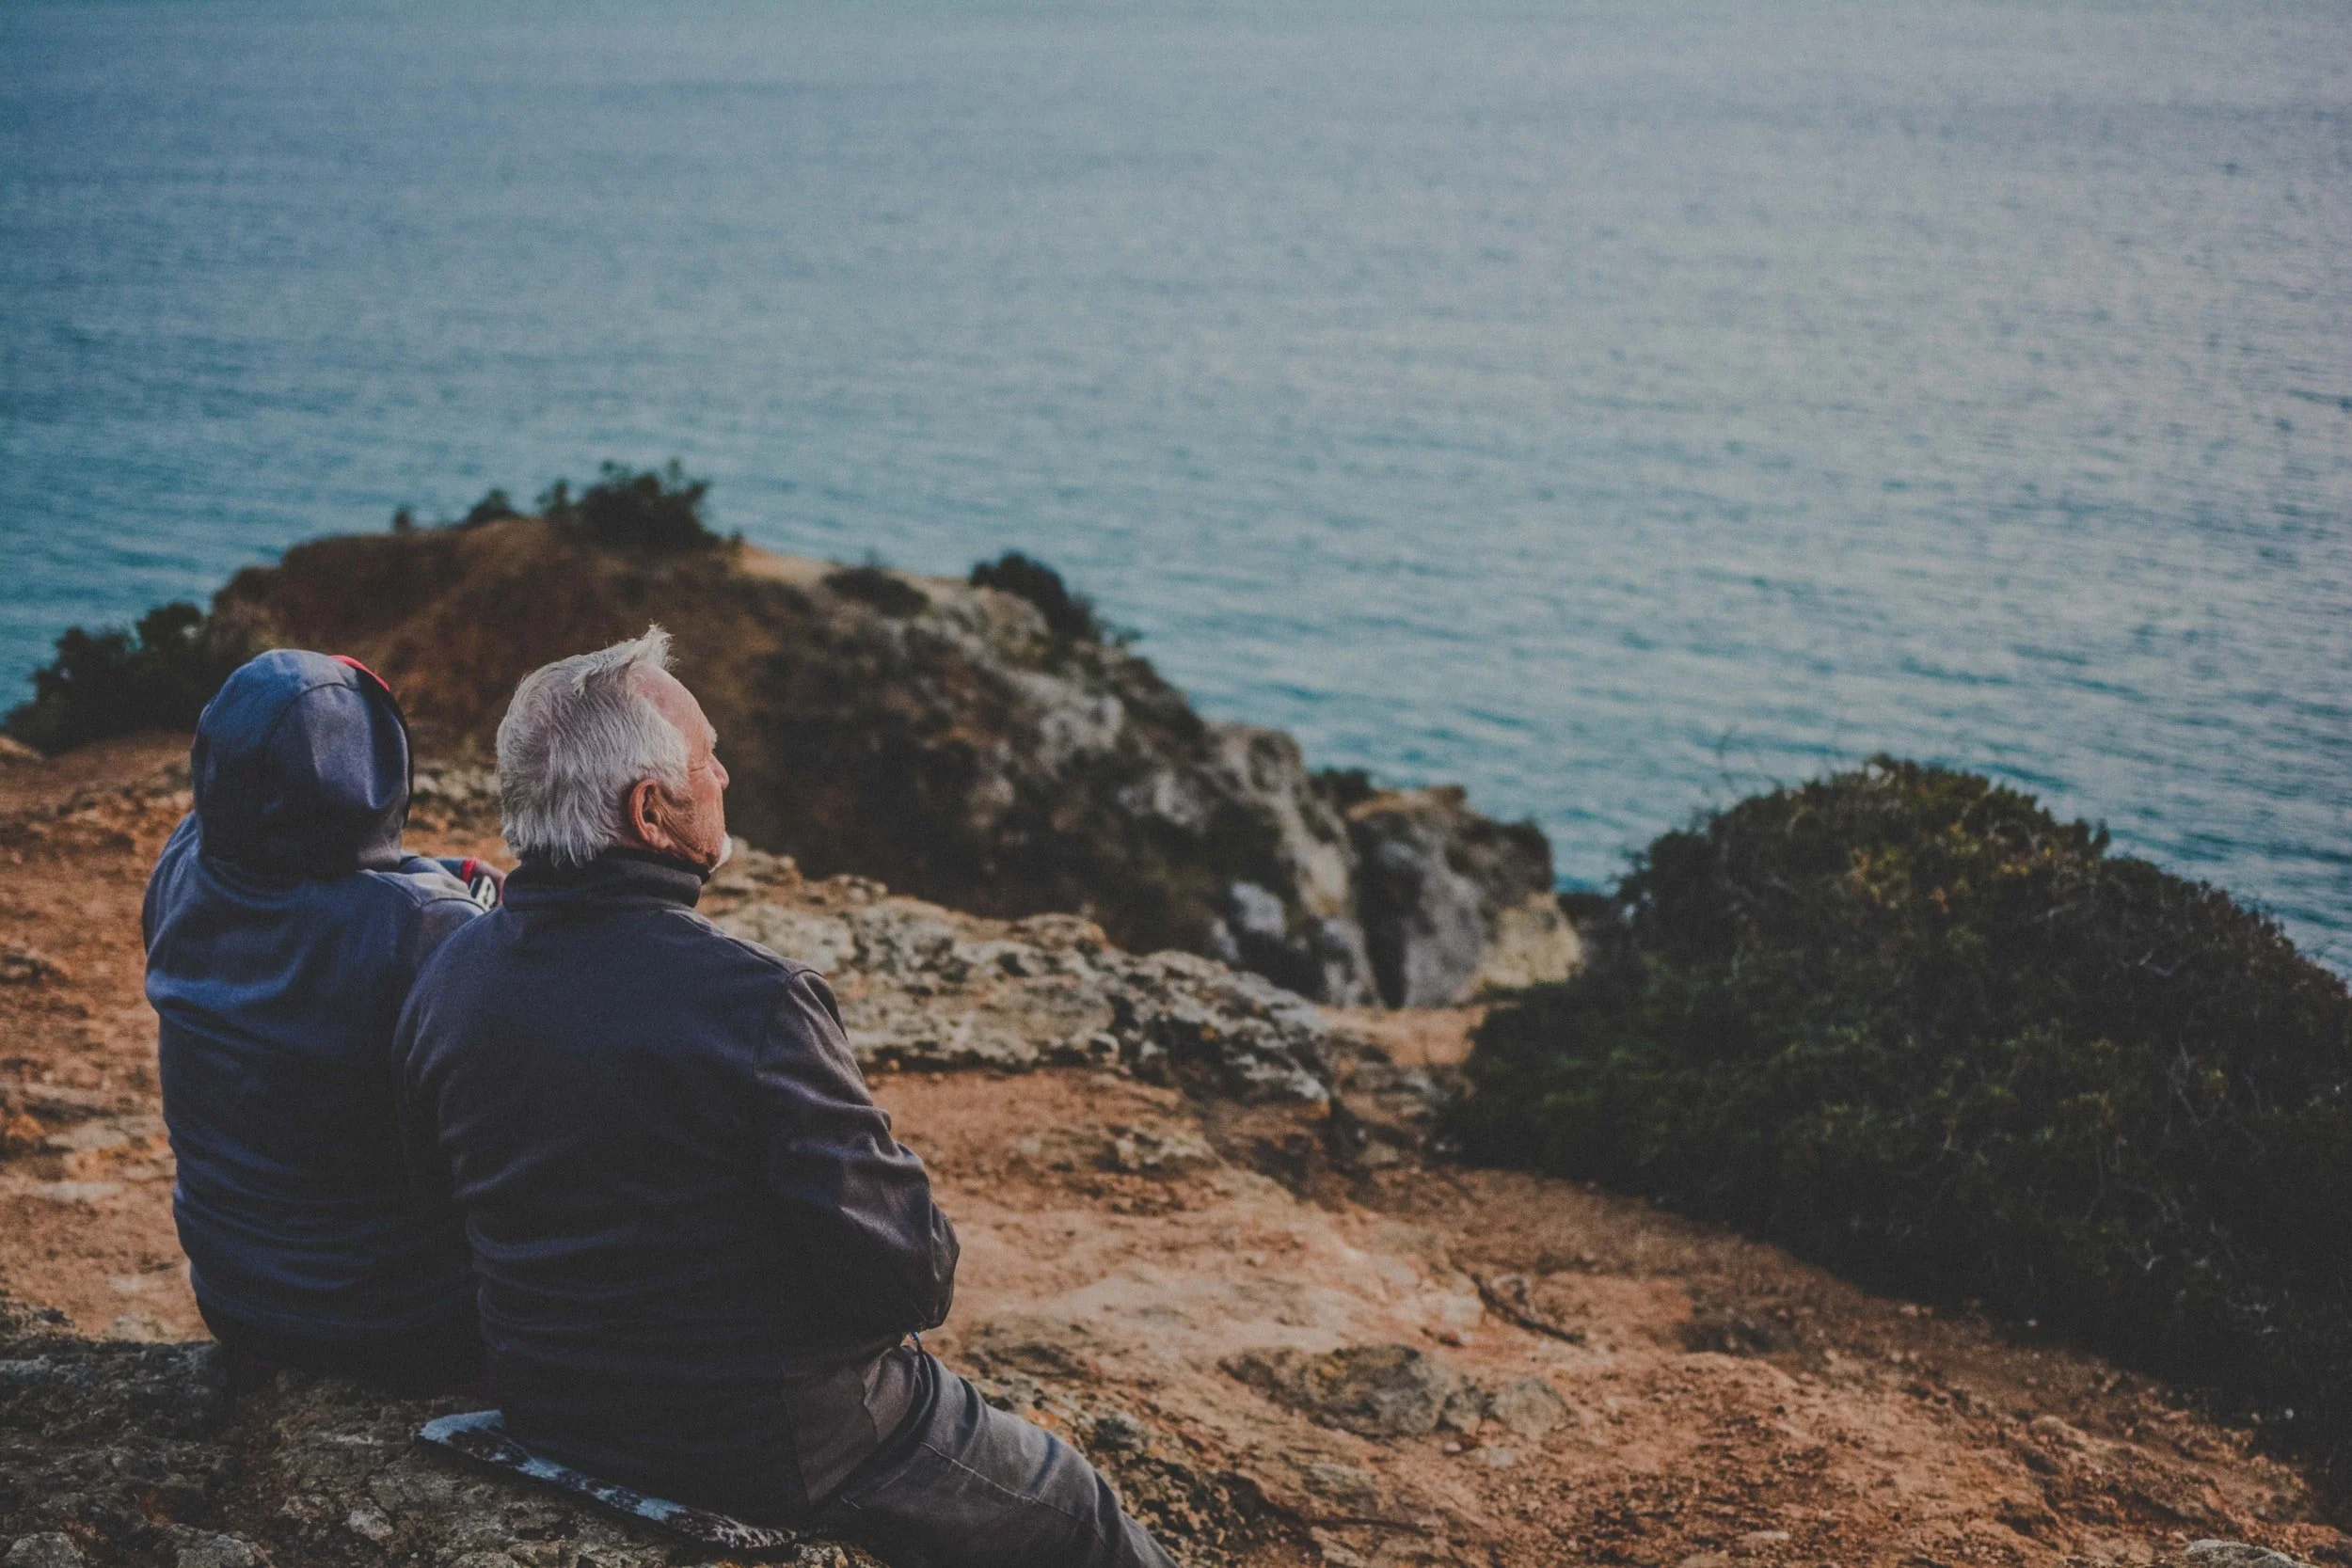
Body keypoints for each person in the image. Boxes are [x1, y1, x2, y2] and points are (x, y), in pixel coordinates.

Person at [393, 627, 1176, 1568]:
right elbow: (913, 1276)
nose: (724, 774)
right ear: (651, 809)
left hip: (546, 1401)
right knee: (1079, 1509)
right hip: (771, 1440)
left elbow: (437, 1200)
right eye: (709, 758)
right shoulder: (751, 999)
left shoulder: (450, 972)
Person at [145, 649, 493, 1387]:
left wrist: (432, 873)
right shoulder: (425, 929)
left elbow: (310, 874)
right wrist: (471, 898)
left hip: (233, 1297)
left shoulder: (182, 863)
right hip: (401, 1322)